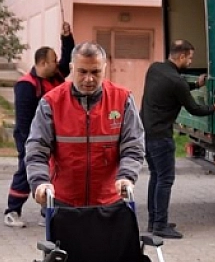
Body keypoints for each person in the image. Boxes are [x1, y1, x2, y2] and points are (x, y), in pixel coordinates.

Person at [26, 41, 145, 208]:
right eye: (82, 71)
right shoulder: (51, 102)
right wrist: (40, 181)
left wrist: (127, 176)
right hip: (63, 201)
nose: (89, 79)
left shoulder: (122, 99)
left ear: (104, 69)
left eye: (95, 72)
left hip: (109, 201)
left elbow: (133, 145)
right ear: (72, 68)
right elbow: (37, 148)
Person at [140, 40, 215, 239]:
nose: (190, 62)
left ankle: (154, 221)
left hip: (146, 133)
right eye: (189, 58)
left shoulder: (155, 69)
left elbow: (175, 88)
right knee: (165, 180)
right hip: (161, 138)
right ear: (181, 56)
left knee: (156, 177)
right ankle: (160, 226)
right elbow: (194, 109)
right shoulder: (176, 82)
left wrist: (196, 84)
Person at [4, 23, 75, 227]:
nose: (58, 64)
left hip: (56, 135)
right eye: (53, 60)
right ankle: (12, 211)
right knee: (27, 172)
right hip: (31, 136)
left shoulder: (56, 76)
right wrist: (31, 146)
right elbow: (24, 120)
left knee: (53, 173)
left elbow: (68, 57)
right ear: (43, 63)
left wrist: (66, 38)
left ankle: (48, 213)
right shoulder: (26, 85)